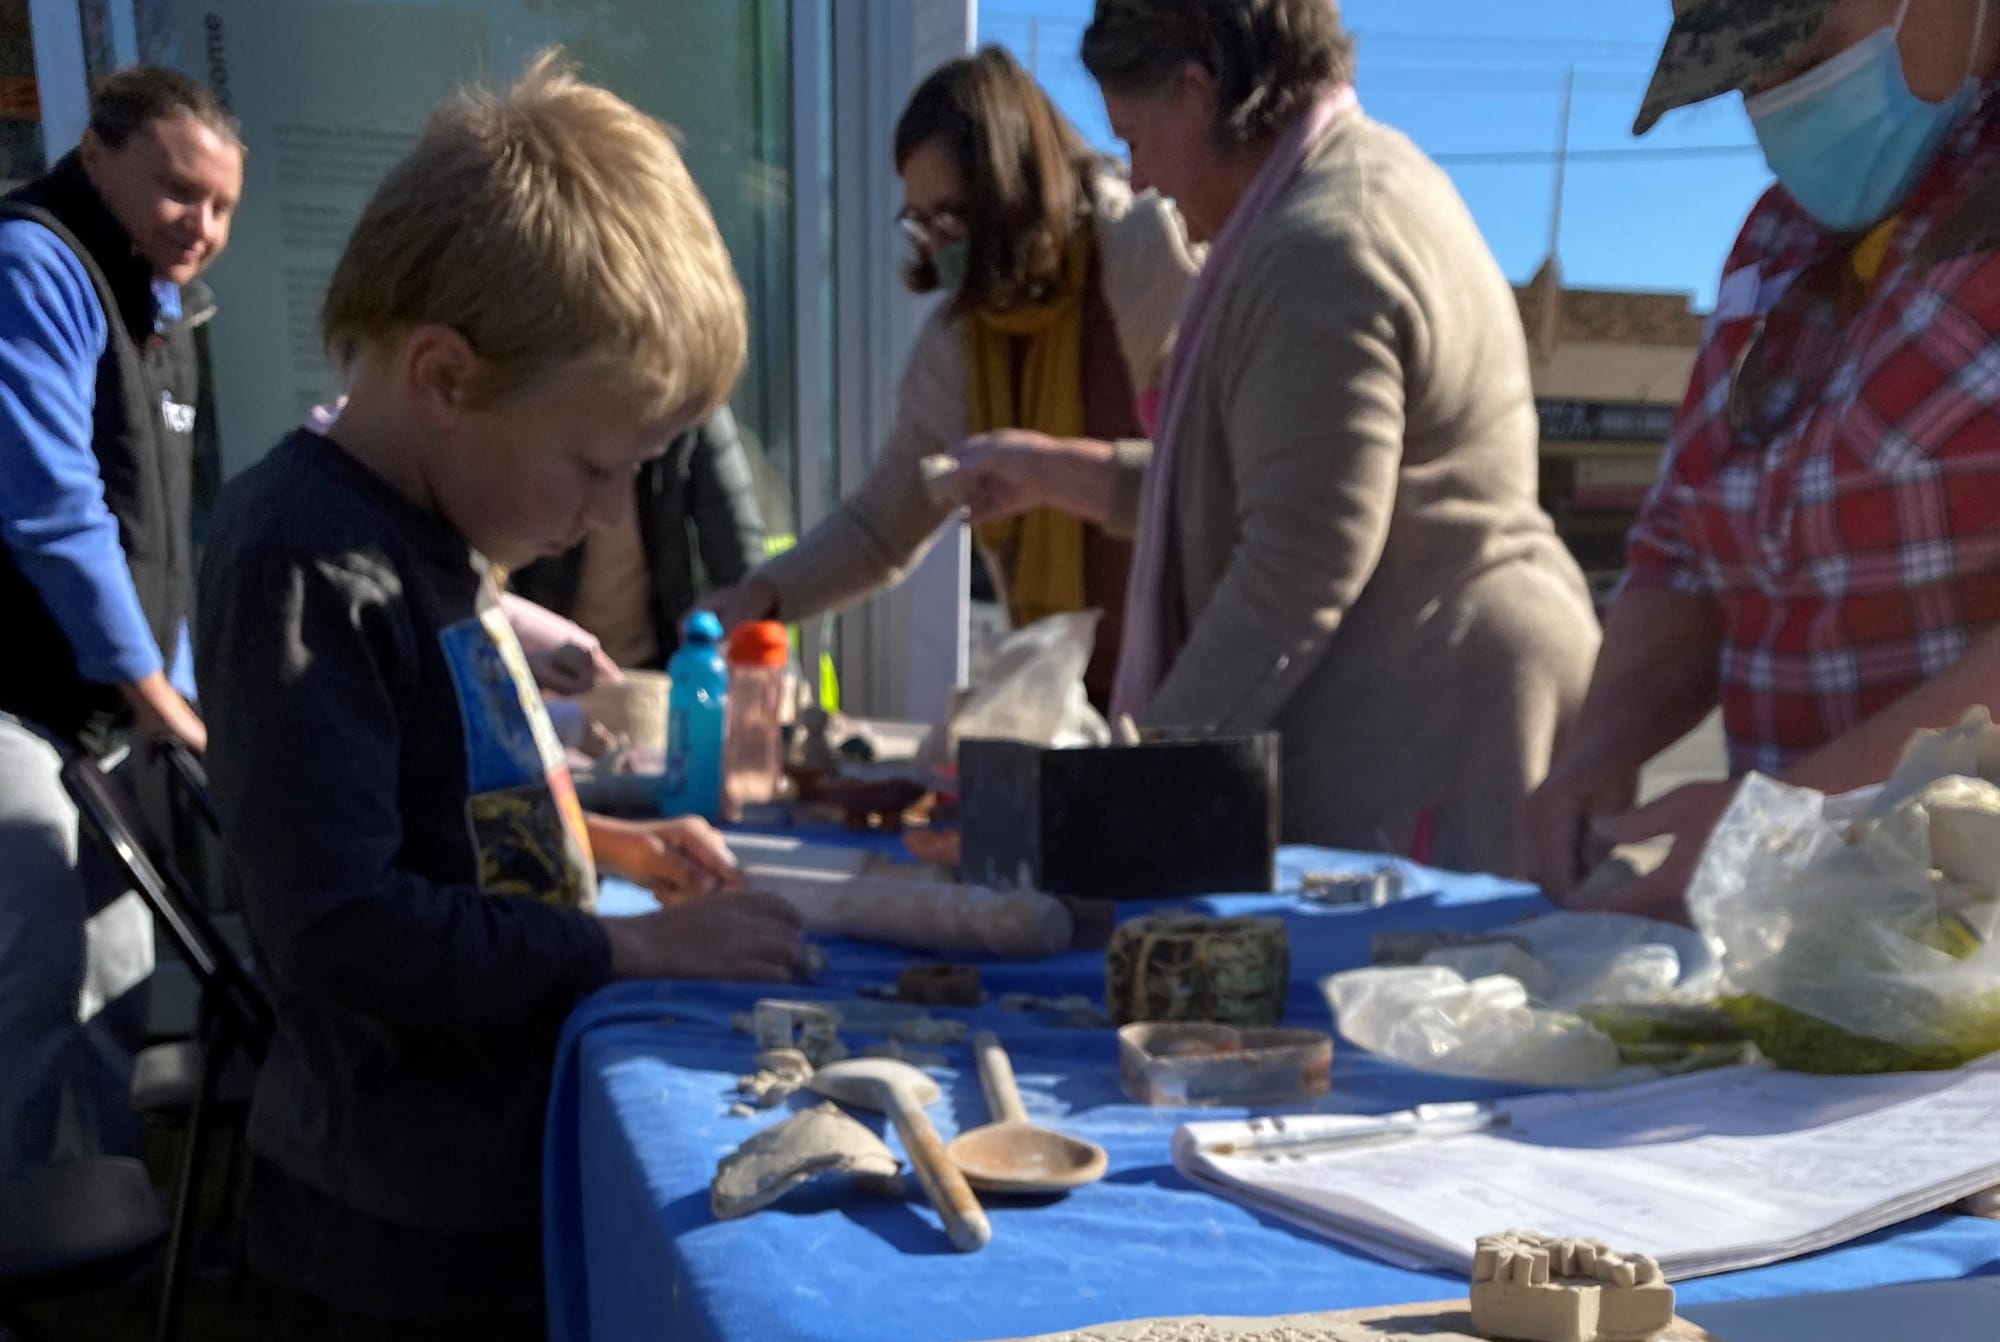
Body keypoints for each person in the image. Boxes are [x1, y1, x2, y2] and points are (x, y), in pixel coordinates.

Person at [197, 55, 812, 1342]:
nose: (603, 516)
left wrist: (615, 844)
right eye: (595, 467)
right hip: (399, 1223)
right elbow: (341, 921)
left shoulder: (438, 537)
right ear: (445, 375)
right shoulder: (305, 558)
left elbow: (447, 801)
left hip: (489, 1163)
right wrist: (622, 943)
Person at [949, 0, 1600, 874]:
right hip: (1438, 714)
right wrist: (1040, 468)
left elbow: (1298, 558)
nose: (1138, 179)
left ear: (1198, 92)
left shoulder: (1320, 247)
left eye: (1136, 138)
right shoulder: (1347, 188)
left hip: (1436, 747)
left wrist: (1132, 786)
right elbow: (1230, 484)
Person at [1528, 0, 2000, 918]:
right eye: (1748, 76)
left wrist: (1790, 819)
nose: (1774, 101)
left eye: (1802, 54)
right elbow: (1684, 550)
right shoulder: (1776, 242)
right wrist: (1600, 749)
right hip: (1803, 946)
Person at [716, 45, 1198, 708]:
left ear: (1011, 191)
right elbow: (883, 525)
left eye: (951, 216)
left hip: (1195, 689)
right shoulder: (959, 344)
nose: (938, 245)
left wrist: (1047, 468)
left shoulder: (1148, 260)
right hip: (1067, 705)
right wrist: (765, 594)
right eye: (920, 222)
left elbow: (1209, 486)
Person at [0, 64, 241, 1163]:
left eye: (223, 206)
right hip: (19, 703)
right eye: (180, 190)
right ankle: (23, 1227)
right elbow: (53, 509)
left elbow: (158, 546)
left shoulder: (158, 302)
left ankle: (101, 1205)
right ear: (95, 154)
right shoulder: (35, 264)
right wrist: (153, 691)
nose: (203, 224)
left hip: (101, 714)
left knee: (119, 971)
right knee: (31, 975)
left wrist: (172, 697)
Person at [510, 407, 766, 669]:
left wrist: (761, 661)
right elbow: (493, 588)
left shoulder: (692, 406)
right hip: (546, 666)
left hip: (664, 666)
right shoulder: (533, 411)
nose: (609, 516)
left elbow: (744, 571)